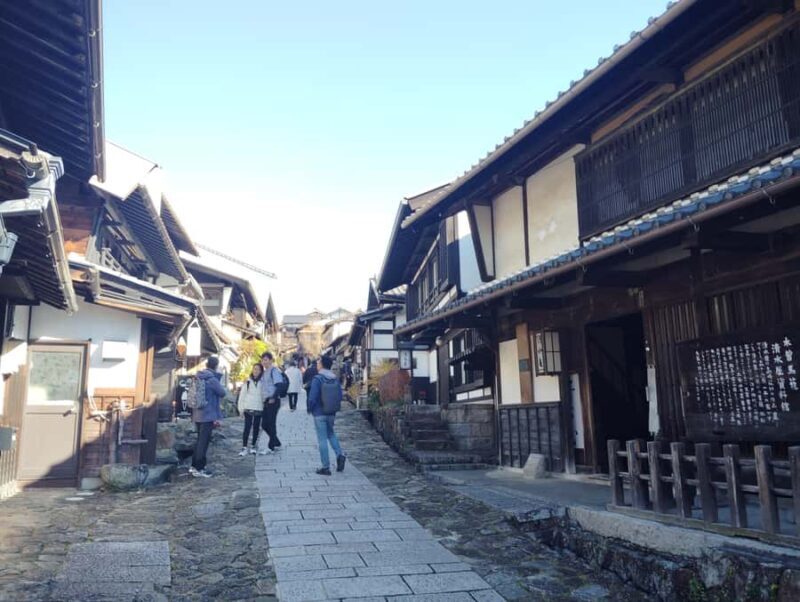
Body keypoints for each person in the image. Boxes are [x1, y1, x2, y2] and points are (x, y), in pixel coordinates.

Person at [307, 356, 346, 476]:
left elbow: (312, 397)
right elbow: (340, 396)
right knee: (331, 434)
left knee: (322, 439)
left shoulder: (317, 379)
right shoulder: (334, 378)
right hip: (331, 412)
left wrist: (310, 408)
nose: (317, 364)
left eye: (318, 362)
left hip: (319, 412)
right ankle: (340, 455)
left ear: (322, 364)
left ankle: (326, 467)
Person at [190, 356, 228, 478]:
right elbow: (222, 393)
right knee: (204, 442)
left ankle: (194, 466)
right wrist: (218, 377)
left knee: (199, 441)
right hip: (207, 415)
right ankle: (199, 468)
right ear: (216, 366)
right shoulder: (211, 379)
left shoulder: (198, 376)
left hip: (197, 413)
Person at [237, 363, 265, 456]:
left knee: (256, 428)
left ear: (261, 371)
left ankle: (253, 446)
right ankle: (244, 447)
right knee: (247, 428)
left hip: (259, 407)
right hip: (248, 407)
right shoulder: (248, 382)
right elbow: (242, 396)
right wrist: (241, 409)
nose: (256, 371)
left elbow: (264, 395)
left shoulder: (263, 382)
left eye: (258, 369)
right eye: (254, 369)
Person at [260, 351, 283, 452]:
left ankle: (271, 446)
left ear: (270, 360)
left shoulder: (274, 371)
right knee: (264, 424)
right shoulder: (265, 372)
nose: (264, 362)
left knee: (271, 423)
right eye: (262, 360)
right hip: (266, 401)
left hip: (273, 400)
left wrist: (273, 397)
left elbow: (279, 385)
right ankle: (276, 441)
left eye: (265, 360)